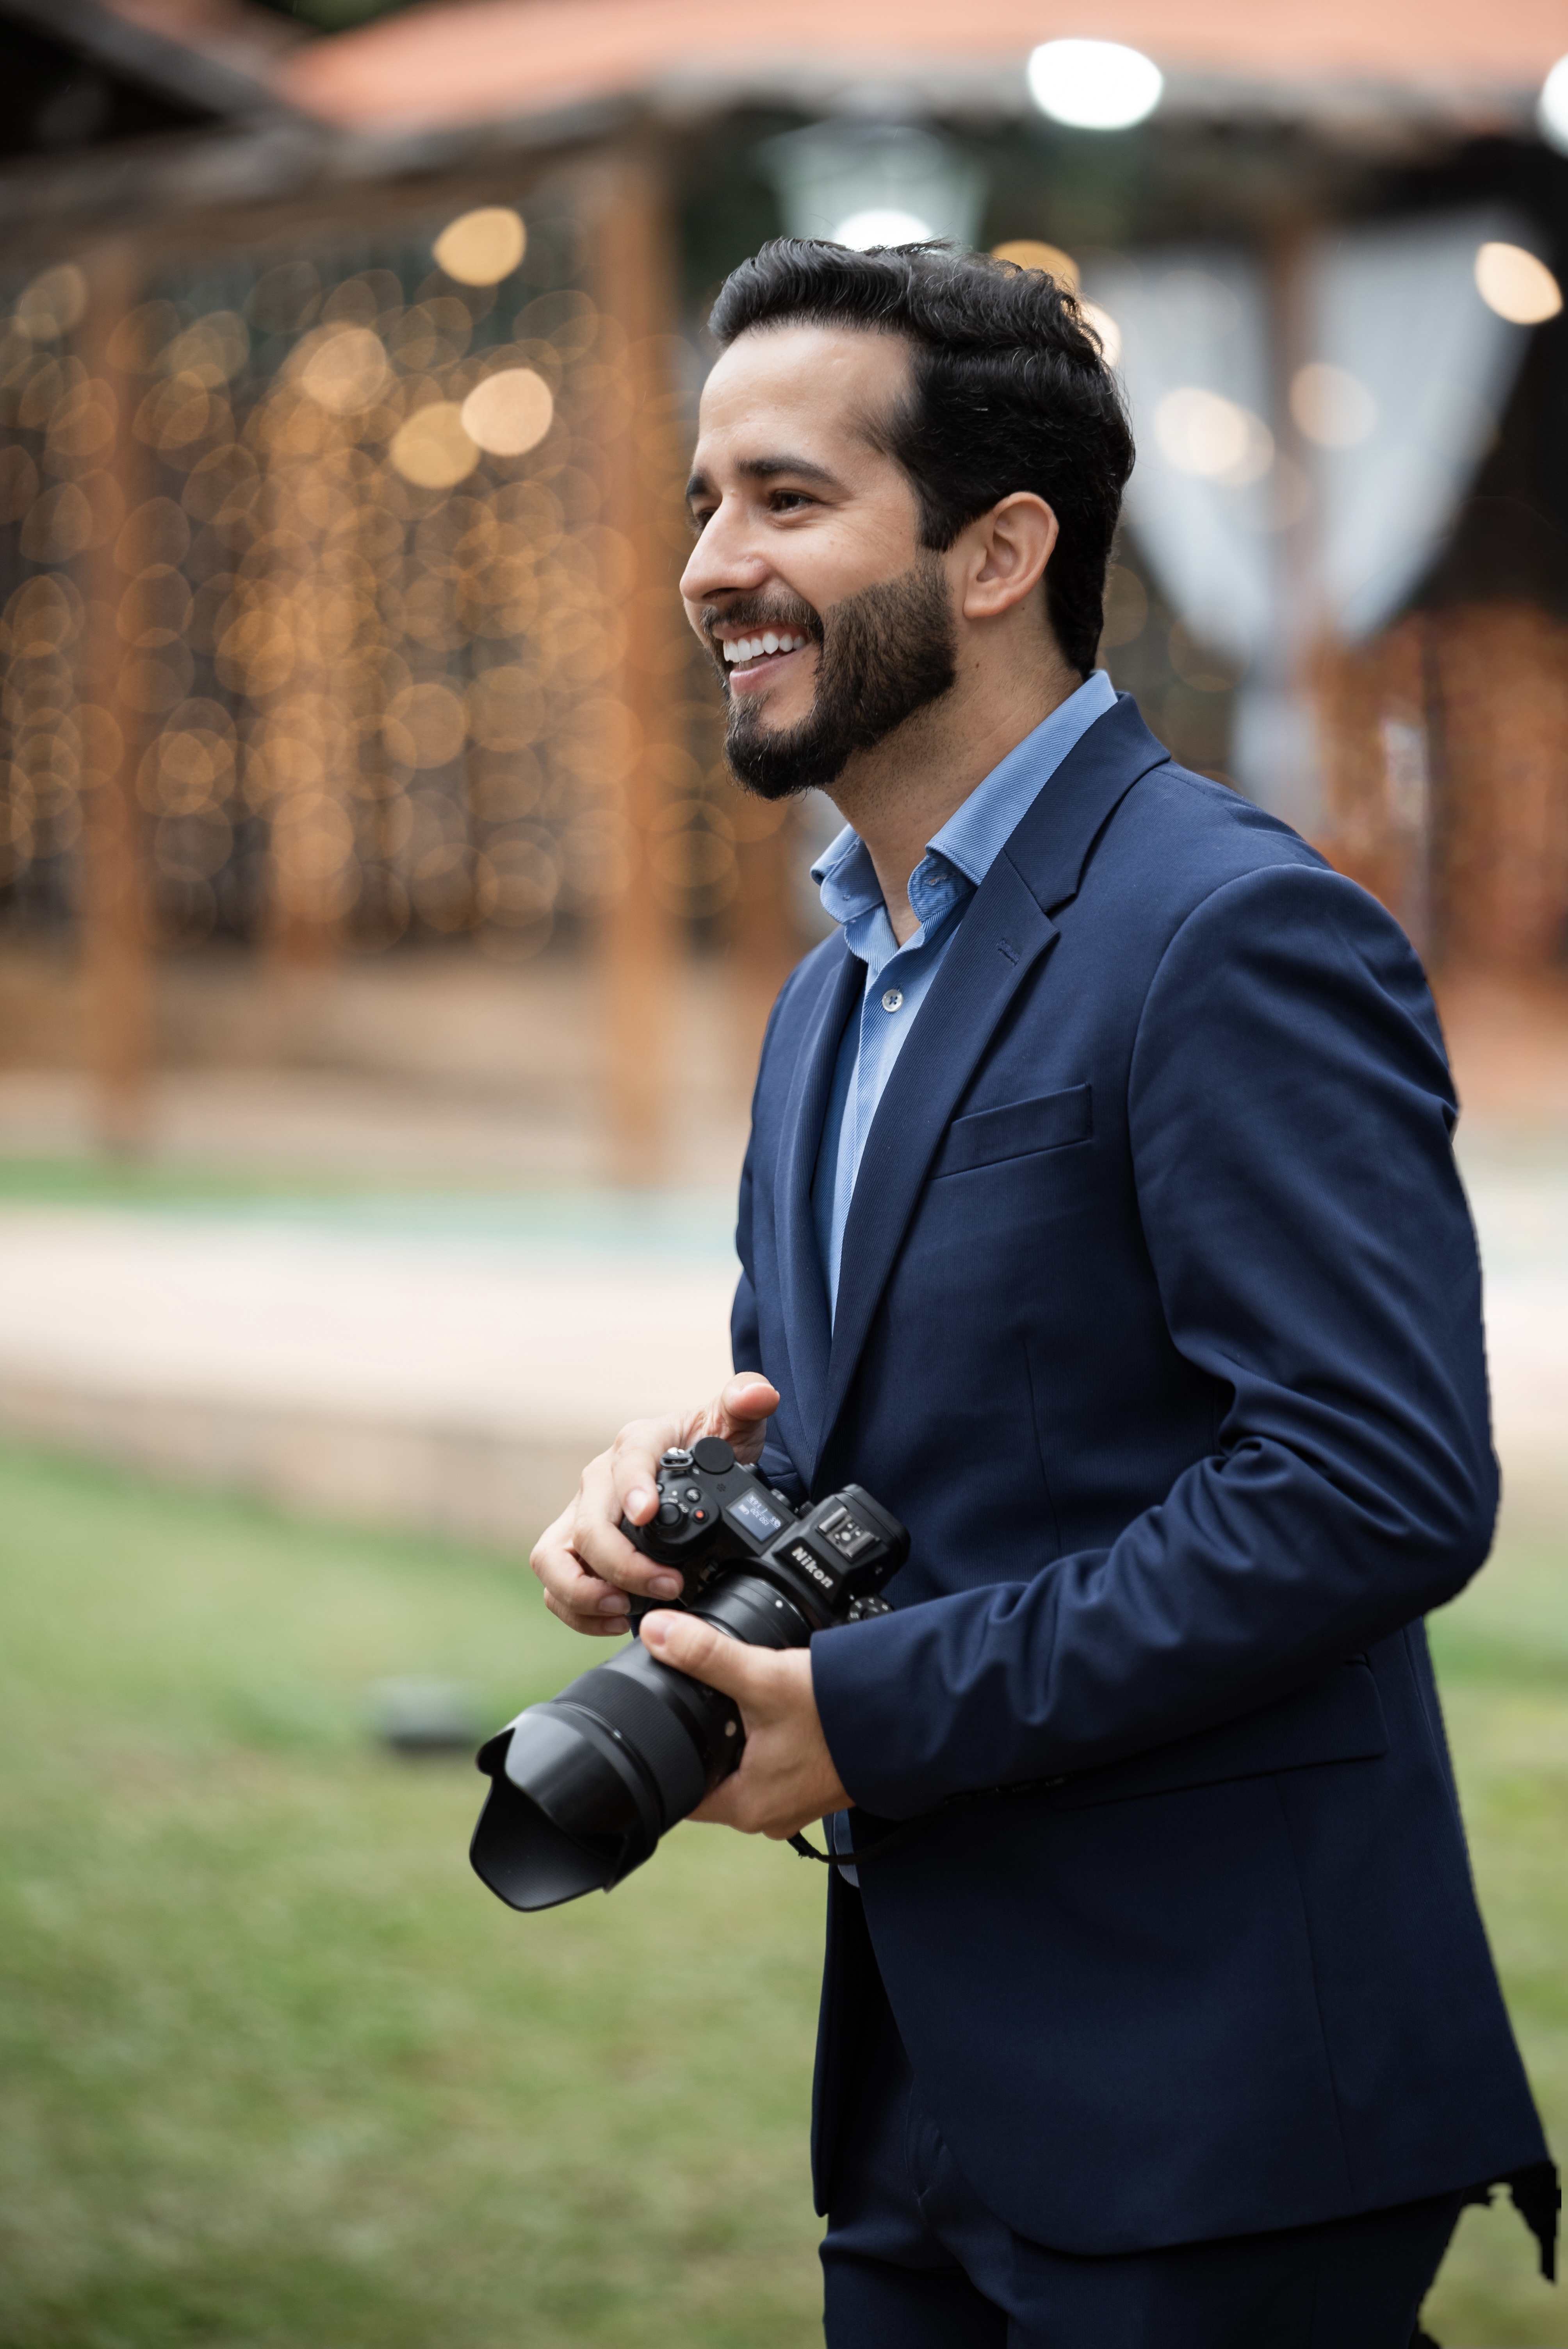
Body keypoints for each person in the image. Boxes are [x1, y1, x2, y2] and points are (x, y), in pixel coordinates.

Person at [530, 241, 1556, 2347]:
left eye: (788, 500)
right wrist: (676, 1494)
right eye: (705, 504)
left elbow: (1375, 1491)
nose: (714, 565)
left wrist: (873, 1719)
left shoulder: (1235, 933)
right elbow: (888, 1445)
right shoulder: (831, 1000)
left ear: (1002, 549)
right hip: (921, 2085)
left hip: (1221, 2097)